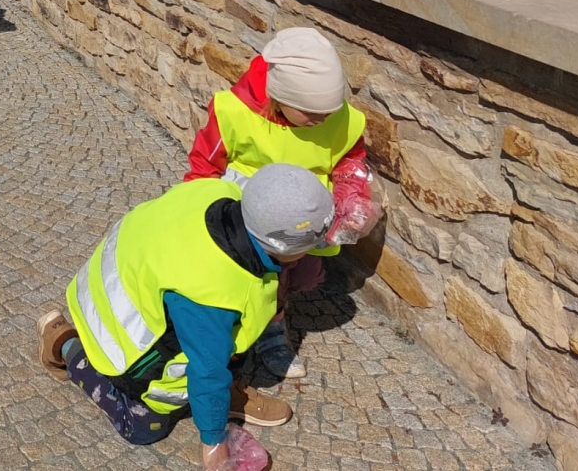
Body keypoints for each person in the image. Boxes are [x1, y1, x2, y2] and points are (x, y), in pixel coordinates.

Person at [36, 164, 335, 469]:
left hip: (111, 287)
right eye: (311, 246)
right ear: (282, 246)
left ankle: (221, 394)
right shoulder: (215, 291)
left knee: (222, 342)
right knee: (144, 427)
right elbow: (207, 371)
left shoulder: (219, 192)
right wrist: (214, 441)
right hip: (116, 337)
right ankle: (65, 343)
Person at [184, 27, 375, 380]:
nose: (324, 120)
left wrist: (352, 194)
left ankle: (268, 320)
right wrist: (194, 212)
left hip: (305, 223)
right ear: (280, 98)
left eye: (331, 111)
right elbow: (205, 165)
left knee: (299, 276)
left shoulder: (337, 118)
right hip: (247, 218)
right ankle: (255, 332)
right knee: (254, 278)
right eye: (312, 113)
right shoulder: (235, 112)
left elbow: (350, 159)